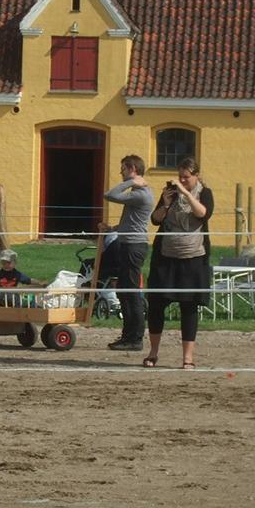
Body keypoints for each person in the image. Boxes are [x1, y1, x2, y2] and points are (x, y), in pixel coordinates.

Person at [144, 156, 214, 369]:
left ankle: (187, 358)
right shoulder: (171, 194)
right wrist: (165, 203)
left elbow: (203, 213)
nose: (182, 181)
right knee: (156, 305)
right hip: (165, 257)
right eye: (180, 177)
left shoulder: (204, 193)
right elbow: (155, 219)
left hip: (193, 258)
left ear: (196, 176)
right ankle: (153, 353)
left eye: (186, 178)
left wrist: (185, 194)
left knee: (189, 307)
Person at [99, 154, 155, 351]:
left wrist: (131, 181)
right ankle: (127, 336)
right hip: (127, 244)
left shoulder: (141, 194)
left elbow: (110, 195)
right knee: (123, 291)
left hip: (134, 247)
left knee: (131, 293)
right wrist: (112, 229)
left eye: (123, 168)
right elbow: (130, 222)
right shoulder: (136, 193)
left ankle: (136, 338)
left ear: (132, 169)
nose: (120, 172)